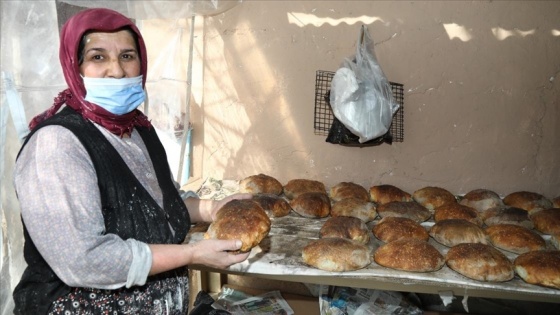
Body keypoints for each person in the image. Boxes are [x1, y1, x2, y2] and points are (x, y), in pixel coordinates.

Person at [12, 8, 250, 315]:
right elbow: (85, 260)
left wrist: (214, 208)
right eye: (98, 57)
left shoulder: (137, 128)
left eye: (127, 56)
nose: (117, 71)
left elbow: (157, 204)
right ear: (75, 66)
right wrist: (191, 254)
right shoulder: (56, 144)